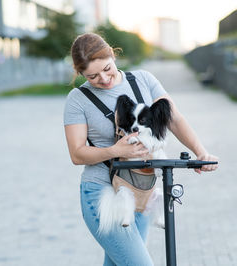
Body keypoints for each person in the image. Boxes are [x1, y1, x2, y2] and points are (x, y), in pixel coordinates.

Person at [63, 32, 219, 266]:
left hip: (141, 191)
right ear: (80, 73)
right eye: (92, 76)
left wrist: (201, 152)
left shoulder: (143, 80)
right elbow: (77, 153)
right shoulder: (77, 99)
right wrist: (116, 151)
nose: (104, 79)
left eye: (107, 69)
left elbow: (174, 119)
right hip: (103, 194)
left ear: (113, 56)